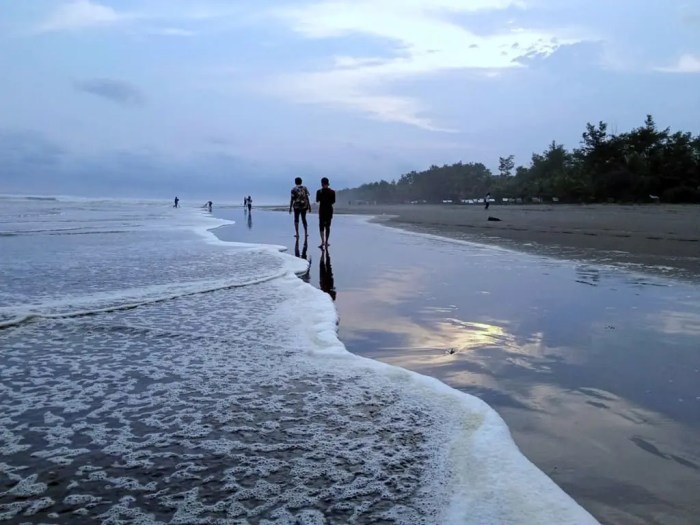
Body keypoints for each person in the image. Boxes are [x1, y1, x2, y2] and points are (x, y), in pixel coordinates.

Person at [316, 177, 336, 248]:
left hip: (322, 210)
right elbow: (333, 201)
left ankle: (322, 242)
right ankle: (326, 241)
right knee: (327, 226)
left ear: (322, 184)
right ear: (328, 183)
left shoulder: (319, 191)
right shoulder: (332, 192)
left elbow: (317, 200)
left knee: (321, 226)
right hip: (329, 210)